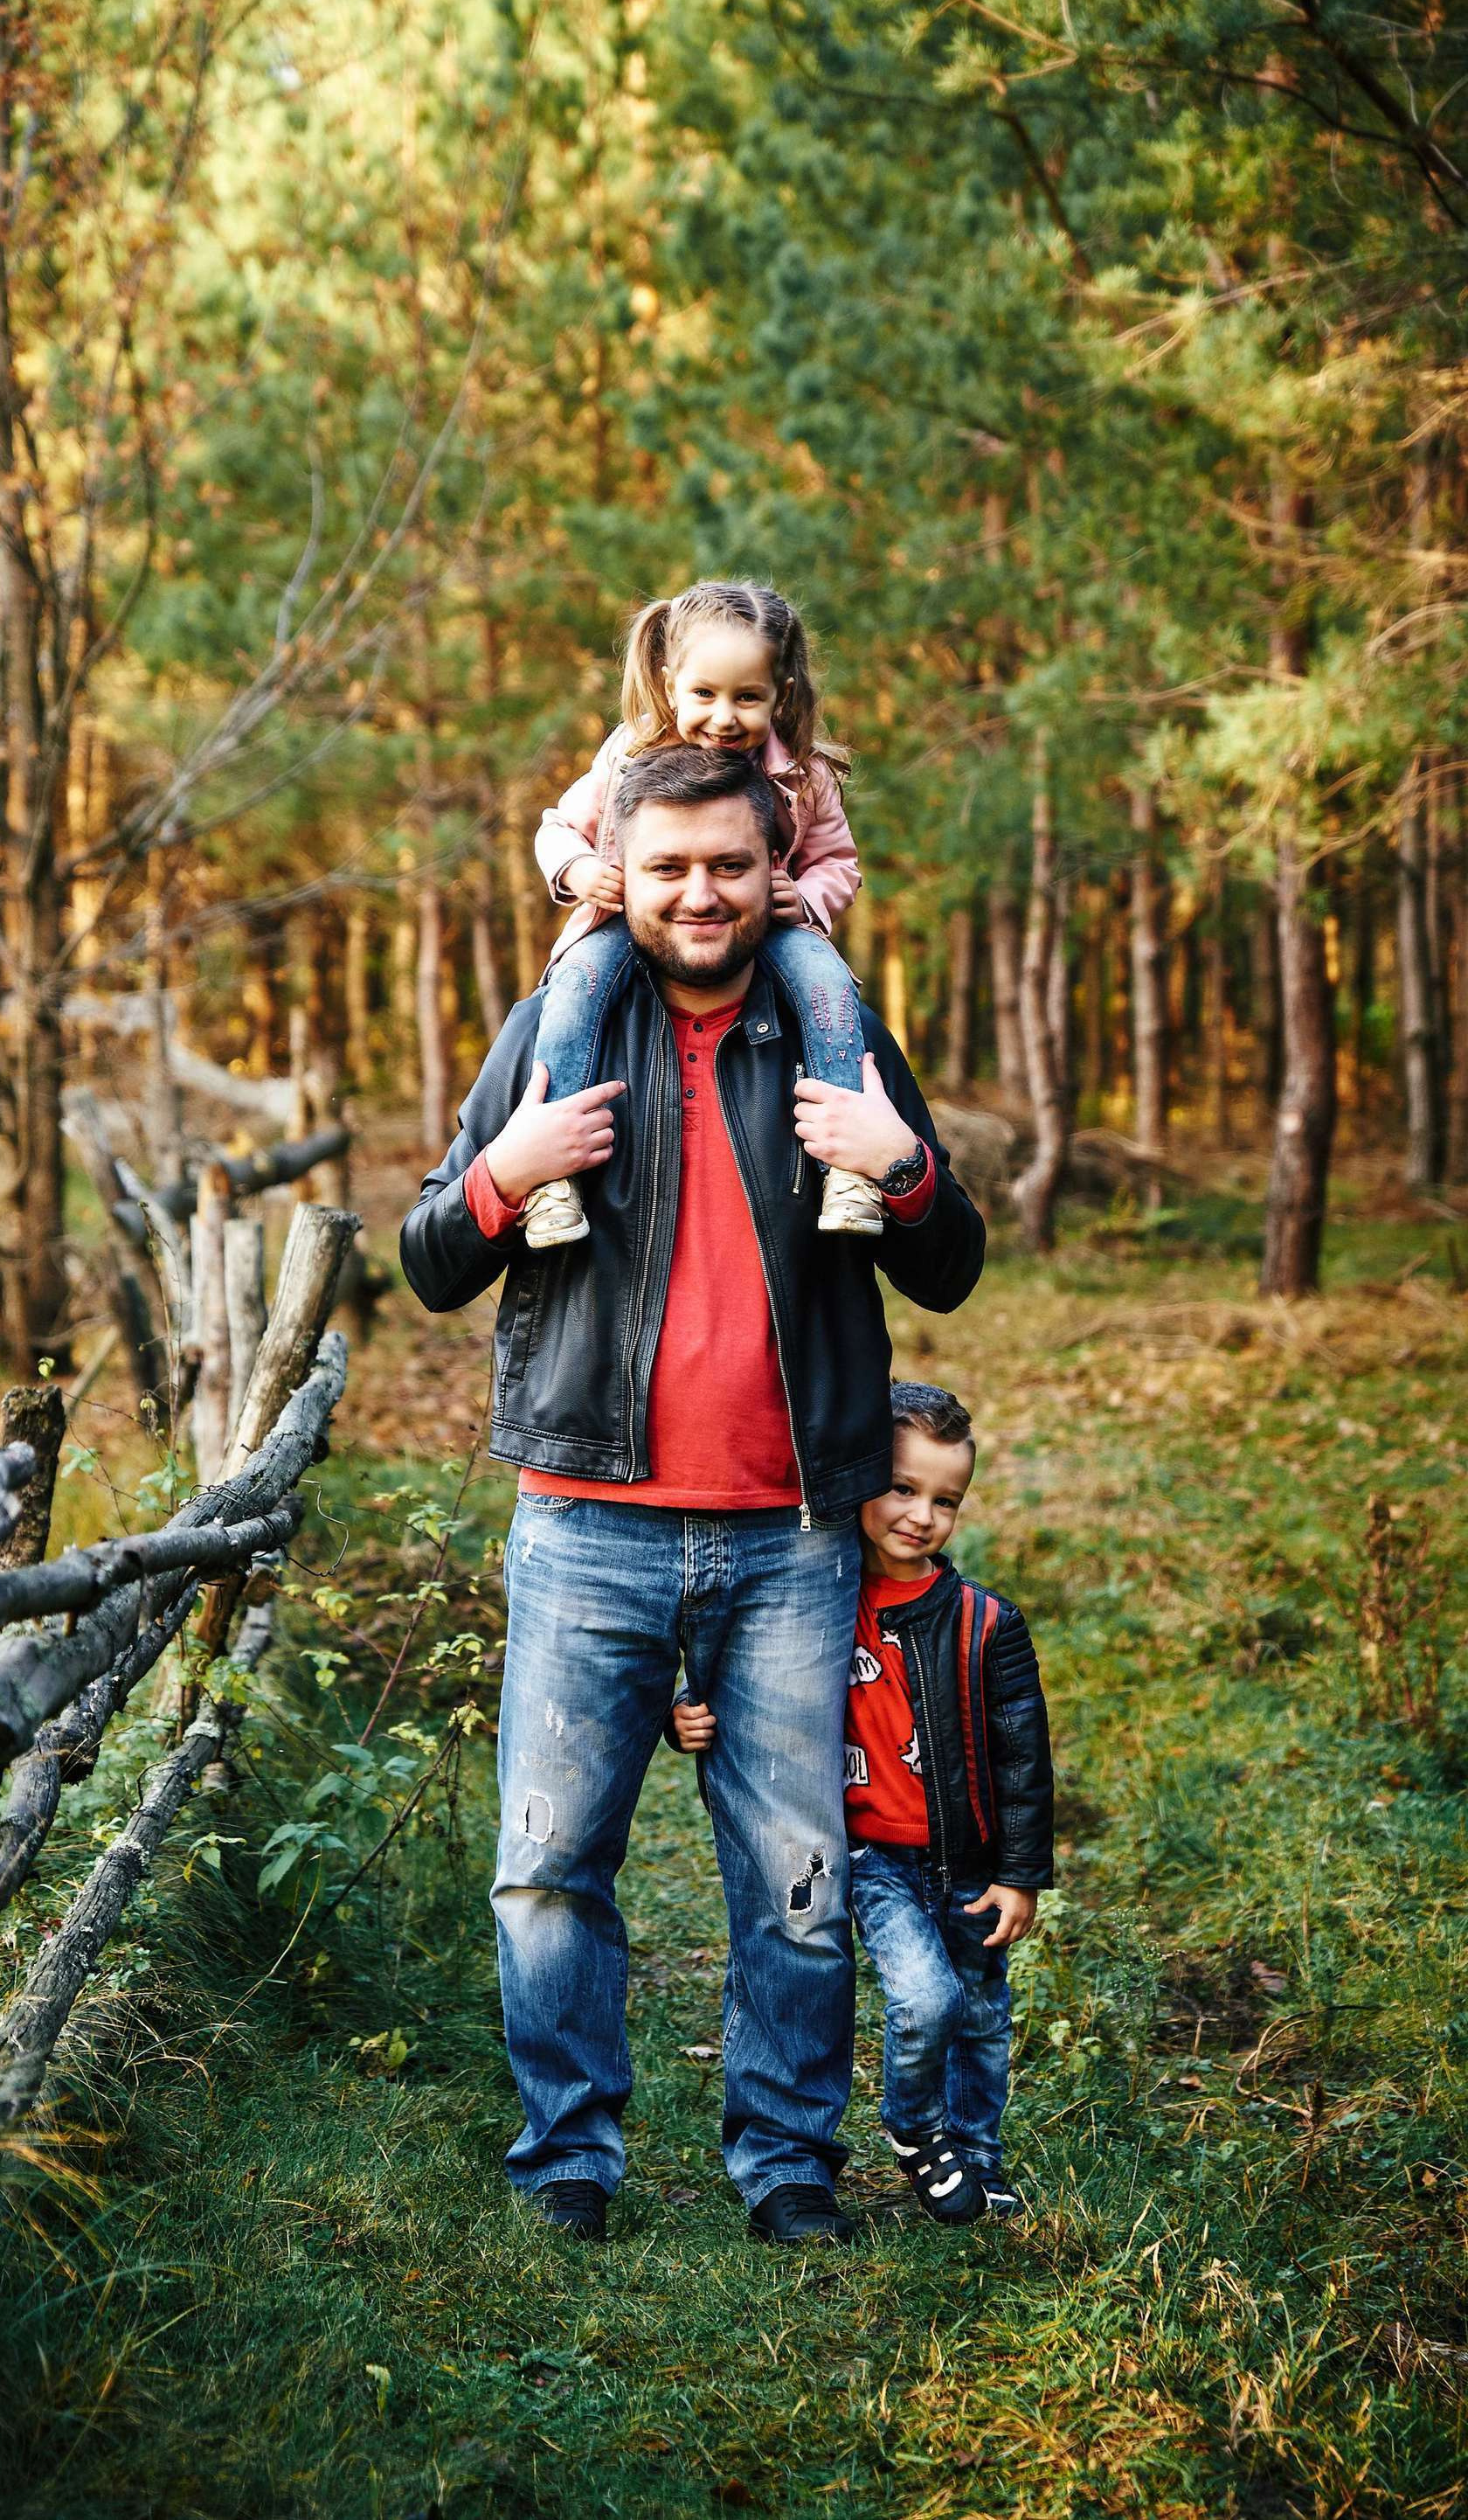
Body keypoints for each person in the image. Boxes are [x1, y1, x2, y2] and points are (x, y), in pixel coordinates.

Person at [400, 744, 986, 2247]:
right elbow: (425, 1260)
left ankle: (789, 2162)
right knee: (545, 1869)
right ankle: (568, 2159)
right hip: (585, 1523)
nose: (700, 892)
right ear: (623, 872)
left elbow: (952, 1262)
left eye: (729, 864)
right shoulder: (559, 1028)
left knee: (795, 1875)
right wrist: (503, 1171)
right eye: (667, 867)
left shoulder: (831, 1032)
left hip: (793, 1537)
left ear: (773, 864)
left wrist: (899, 1163)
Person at [671, 1379, 1053, 2224]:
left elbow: (1024, 1758)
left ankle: (978, 2157)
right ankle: (915, 2129)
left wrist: (1022, 1874)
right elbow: (742, 1689)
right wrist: (688, 1719)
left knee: (983, 2019)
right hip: (875, 1859)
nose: (921, 1515)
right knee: (928, 1999)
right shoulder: (813, 1604)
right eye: (903, 1488)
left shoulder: (986, 1623)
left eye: (945, 1500)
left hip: (968, 1858)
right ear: (860, 1478)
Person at [526, 578, 879, 1249]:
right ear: (670, 683)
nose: (725, 717)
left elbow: (840, 862)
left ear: (783, 692)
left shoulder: (805, 776)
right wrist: (577, 870)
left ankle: (849, 1169)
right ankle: (552, 1176)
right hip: (629, 923)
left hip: (768, 929)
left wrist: (805, 899)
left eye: (748, 697)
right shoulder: (628, 755)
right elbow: (557, 828)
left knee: (830, 989)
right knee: (573, 991)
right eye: (705, 695)